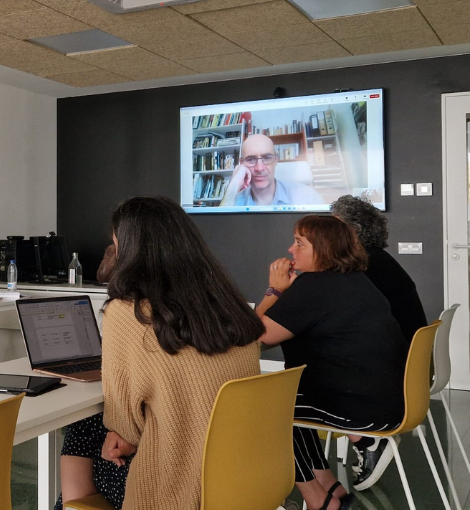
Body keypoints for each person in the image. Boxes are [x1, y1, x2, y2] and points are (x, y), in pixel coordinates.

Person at [57, 196, 264, 510]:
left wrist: (123, 437)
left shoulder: (129, 311)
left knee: (82, 430)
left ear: (129, 248)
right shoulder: (228, 306)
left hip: (177, 486)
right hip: (241, 478)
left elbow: (125, 424)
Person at [257, 215, 408, 507]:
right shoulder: (353, 279)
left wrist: (274, 290)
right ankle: (330, 487)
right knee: (287, 403)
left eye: (300, 243)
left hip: (363, 409)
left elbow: (257, 337)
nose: (290, 249)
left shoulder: (313, 286)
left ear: (323, 249)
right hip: (387, 399)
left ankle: (320, 500)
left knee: (267, 411)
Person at [331, 194, 427, 343]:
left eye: (334, 228)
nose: (328, 234)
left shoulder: (362, 263)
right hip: (408, 345)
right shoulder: (379, 257)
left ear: (354, 231)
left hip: (394, 348)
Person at [220, 133, 324, 206]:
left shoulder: (308, 197)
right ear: (242, 163)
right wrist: (233, 186)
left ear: (276, 160)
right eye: (251, 159)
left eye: (267, 158)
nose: (259, 168)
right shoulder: (233, 202)